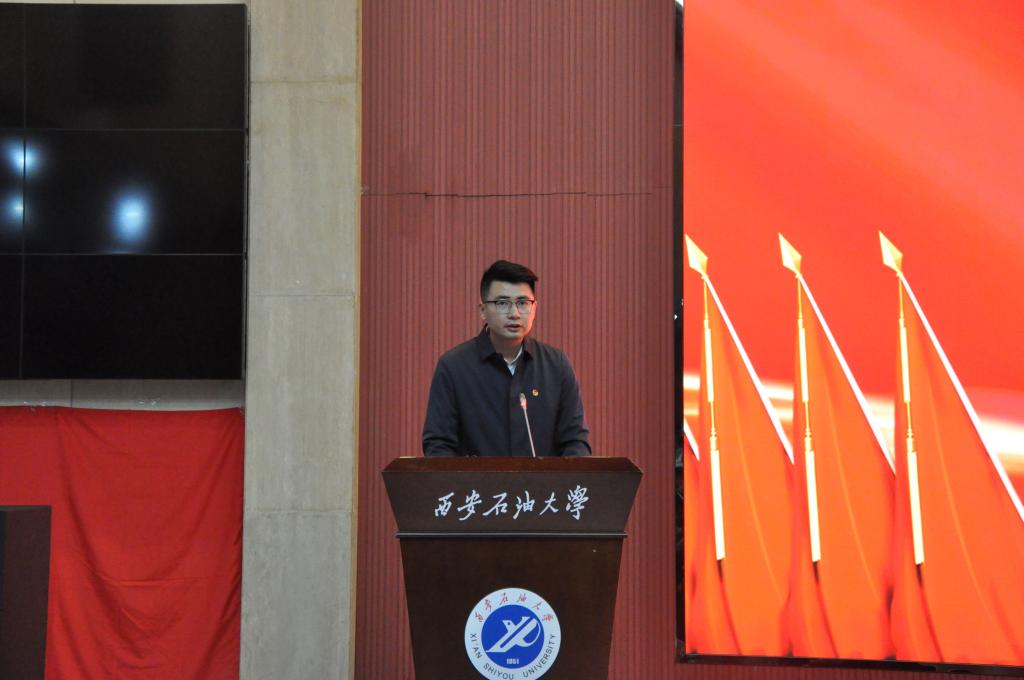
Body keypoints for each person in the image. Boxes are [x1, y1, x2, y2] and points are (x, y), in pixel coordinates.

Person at [422, 260, 591, 457]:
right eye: (502, 303)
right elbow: (438, 446)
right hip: (477, 479)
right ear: (483, 311)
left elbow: (575, 442)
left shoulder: (556, 366)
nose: (514, 313)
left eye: (523, 303)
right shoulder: (453, 367)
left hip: (542, 479)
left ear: (534, 309)